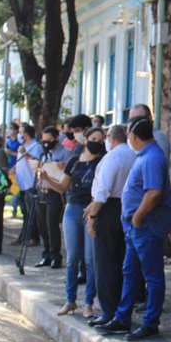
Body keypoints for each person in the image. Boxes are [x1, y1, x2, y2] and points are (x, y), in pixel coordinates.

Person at [97, 118, 171, 341]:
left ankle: (151, 322)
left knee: (152, 276)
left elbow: (153, 193)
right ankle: (122, 317)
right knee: (129, 271)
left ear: (133, 136)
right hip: (136, 227)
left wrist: (138, 217)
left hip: (146, 226)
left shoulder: (151, 158)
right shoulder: (144, 156)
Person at [85, 124, 137, 328]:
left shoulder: (112, 157)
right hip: (126, 207)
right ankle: (121, 310)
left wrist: (92, 216)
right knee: (121, 262)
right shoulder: (133, 155)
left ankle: (108, 310)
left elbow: (103, 191)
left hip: (108, 209)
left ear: (111, 138)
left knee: (105, 263)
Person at [56, 127, 105, 317]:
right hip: (72, 208)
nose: (96, 143)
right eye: (93, 138)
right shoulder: (74, 161)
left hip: (91, 210)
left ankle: (88, 303)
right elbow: (62, 186)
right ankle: (70, 300)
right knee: (71, 259)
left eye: (100, 140)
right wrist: (45, 178)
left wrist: (94, 207)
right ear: (85, 139)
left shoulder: (102, 162)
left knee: (90, 259)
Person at [35, 126, 71, 268]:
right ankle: (46, 254)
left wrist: (63, 166)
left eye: (49, 139)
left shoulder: (65, 152)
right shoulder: (43, 153)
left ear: (56, 138)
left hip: (55, 191)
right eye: (43, 140)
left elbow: (68, 171)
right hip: (41, 189)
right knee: (42, 225)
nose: (46, 143)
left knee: (52, 224)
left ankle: (56, 255)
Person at [11, 124, 42, 246]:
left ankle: (34, 237)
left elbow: (37, 162)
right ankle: (24, 236)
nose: (19, 134)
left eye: (21, 132)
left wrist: (25, 153)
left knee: (31, 212)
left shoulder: (36, 146)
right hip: (21, 184)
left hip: (31, 183)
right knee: (25, 212)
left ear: (26, 134)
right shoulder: (22, 146)